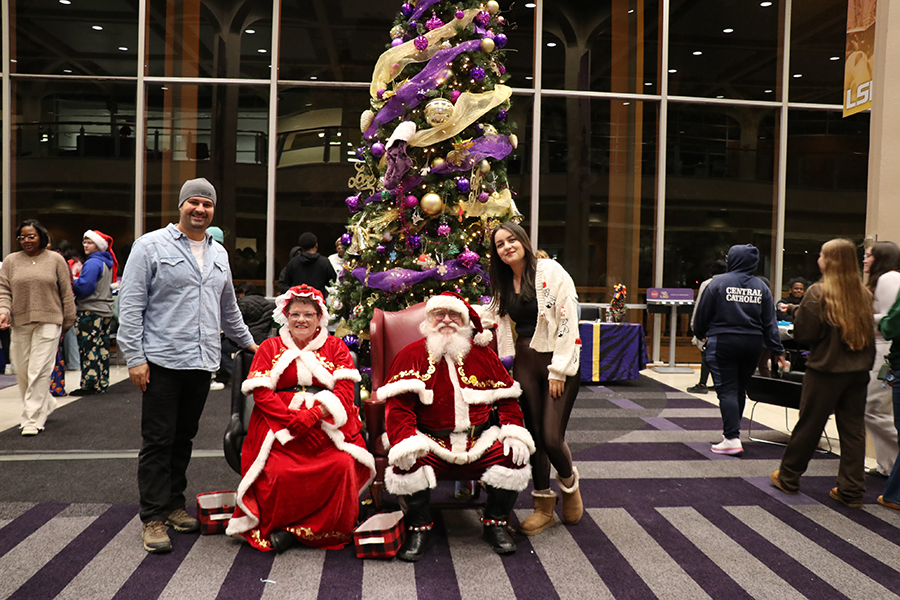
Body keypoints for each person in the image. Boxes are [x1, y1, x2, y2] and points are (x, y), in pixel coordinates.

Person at [118, 177, 258, 554]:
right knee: (158, 440)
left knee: (183, 438)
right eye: (193, 203)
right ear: (180, 206)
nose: (200, 209)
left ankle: (174, 504)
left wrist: (251, 345)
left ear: (213, 210)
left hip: (201, 361)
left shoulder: (218, 254)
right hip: (162, 360)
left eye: (207, 204)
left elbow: (228, 308)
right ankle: (153, 517)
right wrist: (135, 358)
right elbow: (130, 306)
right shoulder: (150, 247)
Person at [381, 292, 534, 561]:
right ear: (429, 320)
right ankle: (420, 527)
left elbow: (508, 400)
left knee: (515, 457)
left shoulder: (483, 355)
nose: (447, 320)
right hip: (431, 442)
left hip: (480, 441)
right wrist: (406, 440)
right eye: (440, 314)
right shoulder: (411, 355)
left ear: (464, 321)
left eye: (454, 315)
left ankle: (495, 524)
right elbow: (398, 409)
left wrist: (514, 431)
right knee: (405, 462)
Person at [226, 285, 374, 552]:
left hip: (328, 421)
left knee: (340, 465)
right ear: (285, 316)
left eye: (308, 314)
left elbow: (343, 392)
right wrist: (290, 420)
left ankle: (318, 532)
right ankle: (282, 527)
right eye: (295, 314)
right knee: (277, 471)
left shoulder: (336, 346)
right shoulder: (270, 346)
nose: (301, 320)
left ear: (320, 317)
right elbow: (260, 392)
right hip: (277, 423)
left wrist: (315, 414)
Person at [481, 221, 583, 536]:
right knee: (534, 436)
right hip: (525, 361)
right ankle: (542, 506)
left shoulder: (550, 271)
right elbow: (490, 315)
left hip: (556, 360)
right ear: (496, 252)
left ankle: (570, 486)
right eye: (500, 244)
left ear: (523, 240)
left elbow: (569, 319)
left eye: (512, 239)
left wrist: (560, 369)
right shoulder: (502, 281)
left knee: (552, 437)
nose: (507, 246)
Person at [770, 239, 875, 507]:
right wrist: (796, 308)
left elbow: (806, 333)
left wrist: (798, 313)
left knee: (810, 425)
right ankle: (851, 490)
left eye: (821, 255)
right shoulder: (863, 294)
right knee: (853, 431)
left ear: (829, 261)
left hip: (826, 372)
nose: (818, 259)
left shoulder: (818, 292)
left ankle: (789, 477)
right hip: (858, 372)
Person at [692, 244, 786, 455]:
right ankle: (732, 435)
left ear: (732, 260)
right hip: (752, 343)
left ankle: (732, 438)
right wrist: (777, 349)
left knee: (726, 389)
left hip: (723, 341)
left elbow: (702, 315)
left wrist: (701, 334)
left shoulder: (717, 283)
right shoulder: (762, 287)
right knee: (739, 389)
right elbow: (769, 322)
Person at [0, 220, 76, 436]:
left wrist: (68, 320)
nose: (26, 241)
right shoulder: (11, 261)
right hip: (20, 322)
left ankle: (32, 418)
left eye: (30, 236)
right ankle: (47, 402)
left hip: (50, 322)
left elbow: (66, 292)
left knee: (39, 370)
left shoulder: (55, 260)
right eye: (22, 237)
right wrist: (3, 311)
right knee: (22, 371)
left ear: (41, 236)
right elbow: (4, 291)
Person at [861, 242, 900, 477]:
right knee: (880, 411)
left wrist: (860, 316)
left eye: (868, 256)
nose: (864, 260)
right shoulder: (885, 279)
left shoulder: (889, 278)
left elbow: (889, 321)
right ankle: (888, 467)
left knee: (872, 409)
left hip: (884, 350)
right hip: (878, 347)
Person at [70, 230, 118, 396]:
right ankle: (102, 382)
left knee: (88, 348)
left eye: (89, 242)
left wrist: (73, 283)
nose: (85, 245)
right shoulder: (107, 262)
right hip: (105, 310)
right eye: (84, 242)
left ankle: (89, 384)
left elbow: (86, 288)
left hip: (90, 311)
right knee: (102, 348)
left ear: (98, 245)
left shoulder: (92, 263)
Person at [214, 281, 275, 387]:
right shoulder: (268, 304)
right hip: (261, 340)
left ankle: (237, 373)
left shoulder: (242, 302)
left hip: (244, 341)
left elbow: (234, 324)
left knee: (218, 348)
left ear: (243, 292)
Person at [688, 259, 727, 394]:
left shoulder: (708, 284)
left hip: (710, 324)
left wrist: (695, 326)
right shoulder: (730, 284)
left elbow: (700, 305)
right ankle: (718, 383)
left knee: (707, 354)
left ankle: (703, 383)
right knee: (720, 356)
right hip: (725, 324)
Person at [57, 239, 83, 371]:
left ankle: (73, 363)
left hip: (66, 298)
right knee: (70, 333)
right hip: (73, 298)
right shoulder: (78, 262)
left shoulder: (67, 263)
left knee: (69, 332)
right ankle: (73, 363)